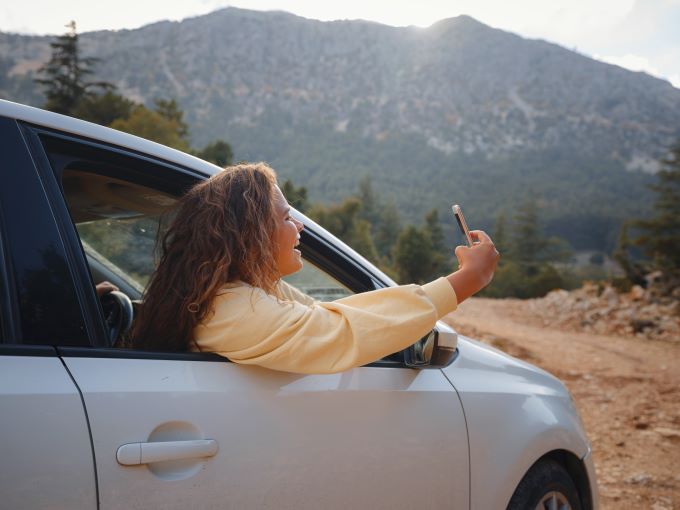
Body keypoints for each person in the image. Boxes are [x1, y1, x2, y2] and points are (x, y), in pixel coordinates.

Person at [130, 163, 499, 374]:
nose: (300, 226)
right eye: (288, 217)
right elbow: (337, 332)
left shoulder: (237, 295)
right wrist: (467, 280)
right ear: (250, 234)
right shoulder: (230, 310)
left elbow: (322, 314)